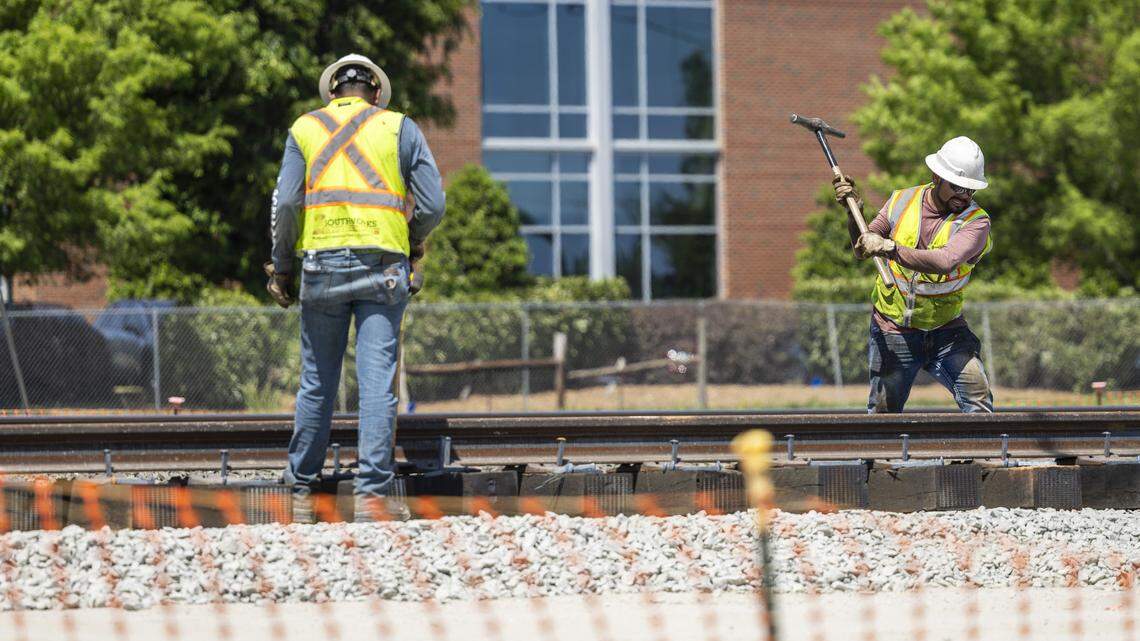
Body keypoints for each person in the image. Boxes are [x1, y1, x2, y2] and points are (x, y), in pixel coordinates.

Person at [265, 53, 445, 522]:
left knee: (317, 383)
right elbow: (433, 203)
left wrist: (283, 267)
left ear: (331, 94)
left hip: (321, 265)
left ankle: (302, 494)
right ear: (377, 93)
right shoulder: (399, 127)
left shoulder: (305, 129)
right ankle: (371, 499)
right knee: (377, 386)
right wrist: (413, 242)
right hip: (384, 267)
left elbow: (286, 204)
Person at [834, 136, 994, 414]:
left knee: (978, 399)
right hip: (894, 328)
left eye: (970, 190)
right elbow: (863, 248)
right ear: (937, 176)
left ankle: (980, 456)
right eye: (957, 187)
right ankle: (877, 458)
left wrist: (890, 247)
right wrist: (854, 213)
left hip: (947, 330)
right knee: (884, 414)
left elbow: (946, 261)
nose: (964, 196)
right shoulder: (901, 201)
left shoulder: (977, 222)